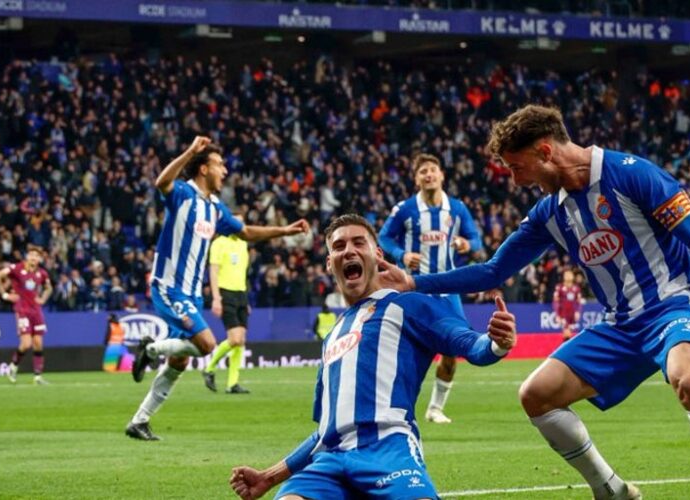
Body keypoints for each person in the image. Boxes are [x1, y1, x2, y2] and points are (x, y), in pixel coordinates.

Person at [378, 104, 690, 500]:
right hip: (619, 324)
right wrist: (413, 281)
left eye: (517, 167)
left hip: (673, 305)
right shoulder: (549, 212)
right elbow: (492, 271)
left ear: (545, 152)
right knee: (535, 395)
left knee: (689, 381)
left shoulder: (631, 173)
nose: (516, 181)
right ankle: (611, 490)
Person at [229, 214, 517, 500]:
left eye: (358, 242)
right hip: (330, 463)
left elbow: (470, 345)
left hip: (389, 451)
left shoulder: (408, 305)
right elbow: (326, 430)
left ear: (377, 254)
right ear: (330, 263)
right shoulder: (333, 335)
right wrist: (268, 477)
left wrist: (495, 343)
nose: (349, 250)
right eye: (339, 246)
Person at [126, 136, 309, 441]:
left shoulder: (215, 209)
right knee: (208, 344)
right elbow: (161, 182)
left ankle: (139, 421)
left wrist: (284, 230)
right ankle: (150, 349)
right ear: (202, 169)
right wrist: (189, 151)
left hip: (192, 295)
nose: (224, 171)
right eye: (219, 165)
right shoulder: (183, 193)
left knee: (180, 361)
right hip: (170, 287)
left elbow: (247, 232)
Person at [379, 153, 483, 424]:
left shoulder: (457, 209)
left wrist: (465, 244)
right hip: (414, 288)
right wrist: (401, 254)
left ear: (441, 175)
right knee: (406, 350)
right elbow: (384, 237)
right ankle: (395, 409)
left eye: (432, 170)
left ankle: (435, 408)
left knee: (451, 350)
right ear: (416, 178)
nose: (428, 175)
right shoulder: (405, 209)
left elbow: (476, 239)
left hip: (448, 289)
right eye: (423, 171)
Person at [202, 212, 251, 394]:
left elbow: (242, 273)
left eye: (242, 223)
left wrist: (246, 298)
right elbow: (213, 272)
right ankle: (209, 368)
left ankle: (232, 384)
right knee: (235, 339)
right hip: (226, 293)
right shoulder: (218, 243)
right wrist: (216, 298)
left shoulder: (243, 244)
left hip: (241, 294)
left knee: (241, 341)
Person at [0, 245, 53, 385]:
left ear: (39, 259)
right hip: (22, 310)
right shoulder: (16, 268)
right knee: (26, 344)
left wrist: (43, 298)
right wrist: (4, 295)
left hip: (36, 311)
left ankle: (37, 377)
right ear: (27, 256)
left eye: (36, 256)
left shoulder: (42, 273)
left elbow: (49, 287)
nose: (33, 257)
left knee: (38, 343)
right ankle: (13, 367)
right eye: (31, 254)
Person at [553, 269, 583, 342]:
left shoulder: (576, 288)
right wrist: (557, 314)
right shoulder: (559, 287)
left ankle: (569, 343)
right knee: (565, 328)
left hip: (572, 312)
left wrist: (578, 312)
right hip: (563, 312)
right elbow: (555, 301)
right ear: (564, 277)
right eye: (566, 275)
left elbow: (579, 302)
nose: (568, 276)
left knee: (570, 329)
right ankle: (565, 343)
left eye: (570, 274)